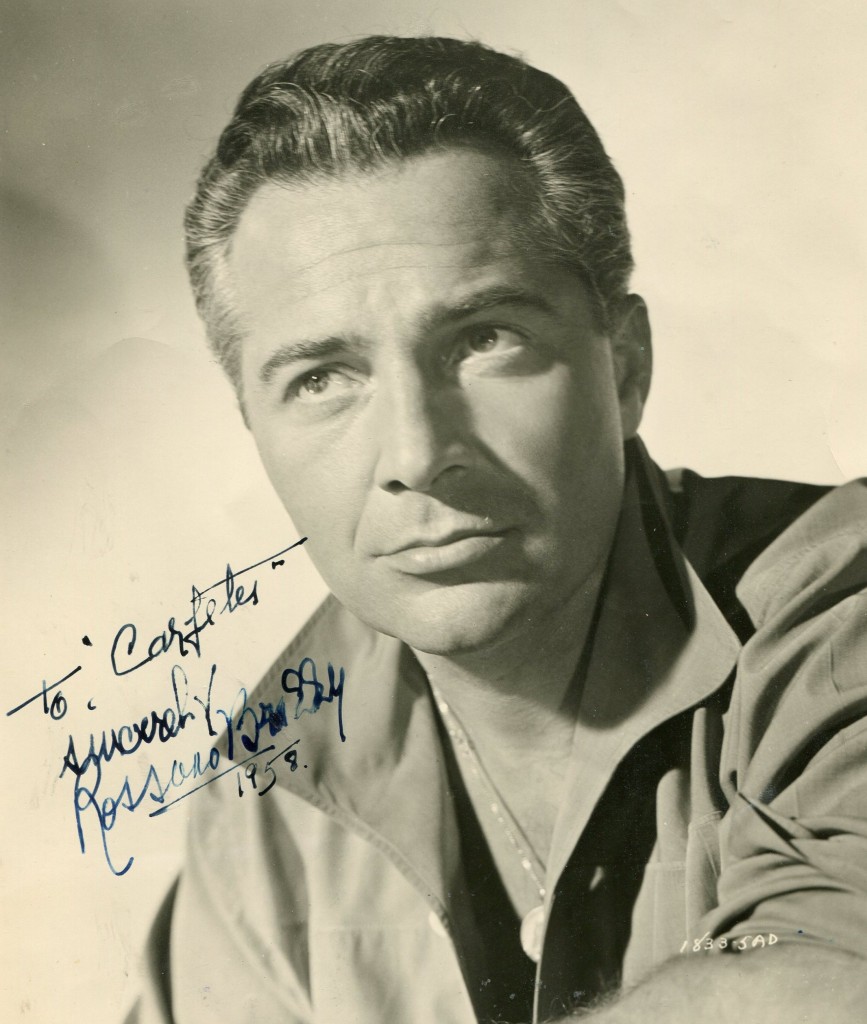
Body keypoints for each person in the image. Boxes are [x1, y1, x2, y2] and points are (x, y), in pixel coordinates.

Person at [129, 36, 867, 1023]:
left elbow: (829, 987)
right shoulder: (271, 791)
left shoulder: (839, 606)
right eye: (321, 378)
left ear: (625, 368)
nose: (416, 452)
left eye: (484, 338)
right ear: (253, 428)